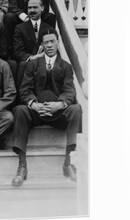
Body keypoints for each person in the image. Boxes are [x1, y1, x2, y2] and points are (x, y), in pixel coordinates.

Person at [11, 29, 82, 186]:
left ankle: (69, 161)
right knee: (20, 110)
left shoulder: (66, 66)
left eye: (52, 41)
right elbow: (25, 89)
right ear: (42, 45)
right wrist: (33, 104)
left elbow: (69, 90)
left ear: (57, 43)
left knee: (76, 110)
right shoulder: (33, 64)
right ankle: (22, 165)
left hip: (58, 112)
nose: (49, 45)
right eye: (46, 42)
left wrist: (60, 104)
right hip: (37, 112)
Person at [13, 0, 53, 85]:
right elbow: (17, 51)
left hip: (44, 62)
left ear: (42, 8)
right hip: (27, 63)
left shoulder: (49, 29)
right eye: (29, 8)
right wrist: (33, 57)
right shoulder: (19, 28)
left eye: (35, 7)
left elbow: (52, 49)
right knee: (23, 65)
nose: (32, 10)